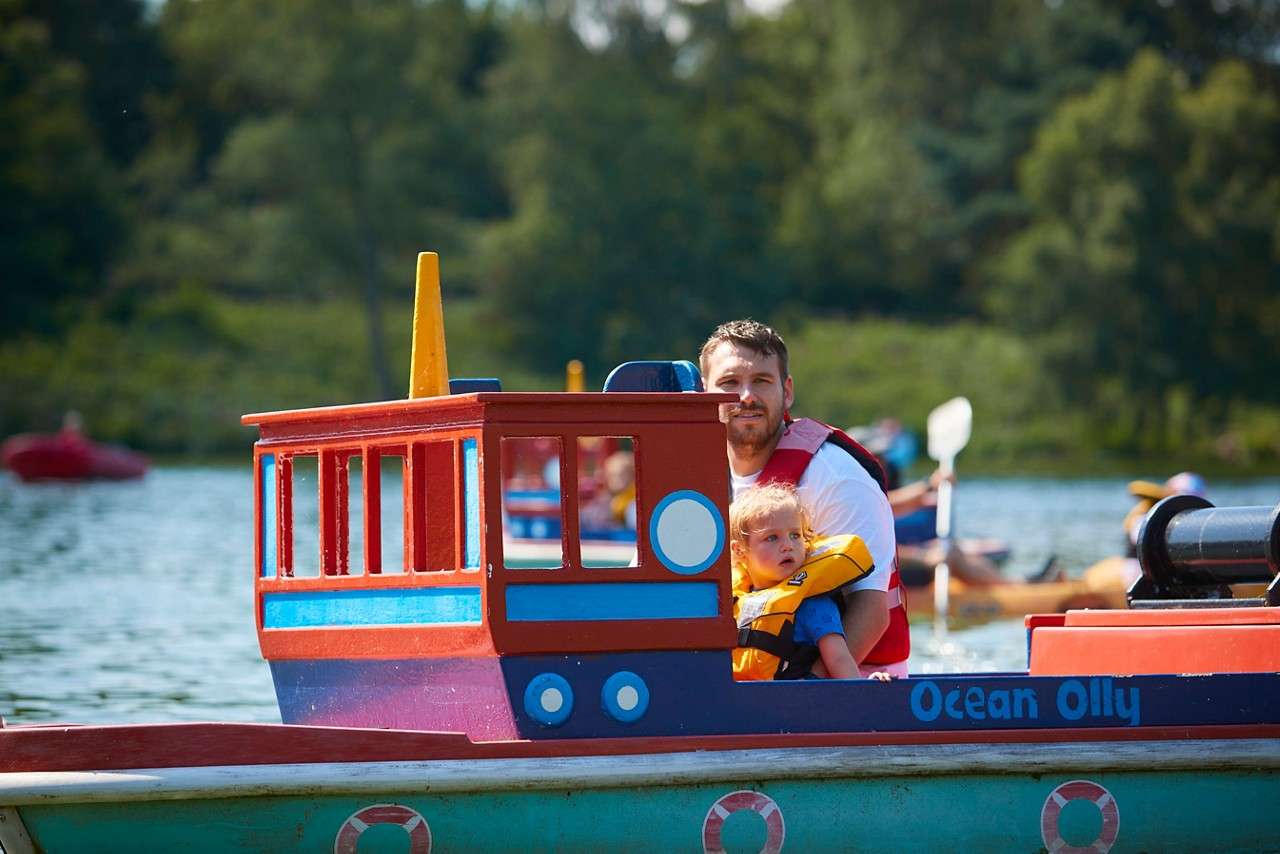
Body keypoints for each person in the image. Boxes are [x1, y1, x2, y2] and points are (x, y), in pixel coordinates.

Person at [700, 320, 909, 678]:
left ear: (788, 391)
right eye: (730, 383)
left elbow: (872, 612)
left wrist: (802, 694)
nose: (746, 396)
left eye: (762, 381)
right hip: (746, 686)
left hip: (848, 685)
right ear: (706, 393)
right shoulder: (696, 476)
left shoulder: (836, 476)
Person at [730, 483, 890, 681]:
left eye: (795, 535)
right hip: (742, 701)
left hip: (797, 703)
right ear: (739, 550)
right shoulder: (734, 604)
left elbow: (839, 659)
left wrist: (860, 690)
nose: (787, 546)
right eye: (772, 538)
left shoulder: (813, 605)